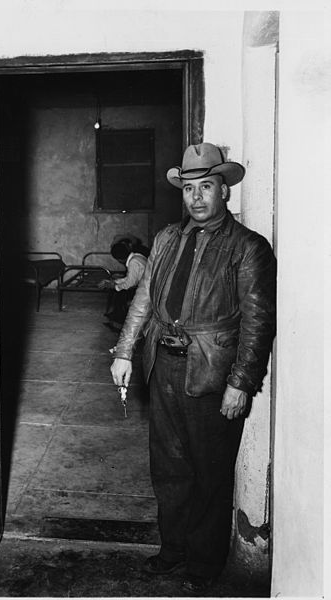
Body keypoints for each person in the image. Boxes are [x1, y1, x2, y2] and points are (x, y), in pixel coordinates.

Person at [110, 143, 276, 592]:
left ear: (224, 191)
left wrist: (240, 383)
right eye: (189, 188)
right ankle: (173, 549)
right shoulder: (166, 239)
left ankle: (204, 564)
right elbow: (143, 301)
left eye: (206, 187)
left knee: (210, 471)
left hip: (212, 372)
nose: (197, 197)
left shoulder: (248, 248)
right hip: (162, 367)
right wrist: (125, 350)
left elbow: (258, 325)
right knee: (168, 467)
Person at [99, 237, 149, 331]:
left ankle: (119, 324)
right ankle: (114, 316)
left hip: (145, 290)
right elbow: (130, 278)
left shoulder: (133, 262)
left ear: (119, 259)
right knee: (117, 289)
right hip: (143, 285)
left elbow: (130, 284)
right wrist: (114, 282)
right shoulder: (137, 256)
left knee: (120, 293)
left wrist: (114, 285)